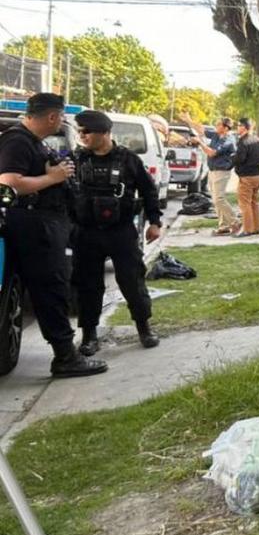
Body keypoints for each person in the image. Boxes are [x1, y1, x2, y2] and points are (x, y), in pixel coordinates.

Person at [0, 94, 106, 377]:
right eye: (60, 117)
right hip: (34, 227)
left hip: (45, 224)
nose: (62, 122)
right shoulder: (17, 140)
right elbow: (9, 183)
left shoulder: (32, 141)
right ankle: (65, 357)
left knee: (52, 288)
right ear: (51, 117)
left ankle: (65, 354)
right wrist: (53, 178)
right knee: (51, 290)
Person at [70, 110, 162, 355]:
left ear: (105, 133)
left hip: (120, 231)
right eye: (80, 132)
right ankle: (89, 335)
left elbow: (149, 191)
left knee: (132, 281)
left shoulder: (128, 159)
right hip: (86, 232)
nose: (83, 136)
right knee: (87, 285)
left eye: (87, 131)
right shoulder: (76, 159)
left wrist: (155, 222)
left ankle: (144, 328)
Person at [182, 112, 238, 235]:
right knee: (215, 199)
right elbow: (201, 129)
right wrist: (189, 120)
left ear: (225, 127)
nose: (216, 126)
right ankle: (223, 226)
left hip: (221, 171)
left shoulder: (228, 140)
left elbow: (212, 153)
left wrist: (200, 142)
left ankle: (235, 222)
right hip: (213, 171)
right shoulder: (217, 135)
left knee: (219, 199)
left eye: (218, 125)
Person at [231, 118, 259, 238]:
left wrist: (233, 158)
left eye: (239, 125)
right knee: (254, 202)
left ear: (244, 127)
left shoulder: (243, 142)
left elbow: (240, 159)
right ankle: (256, 228)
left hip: (246, 176)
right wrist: (257, 161)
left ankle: (247, 229)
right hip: (257, 175)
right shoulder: (257, 139)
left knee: (245, 204)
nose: (237, 127)